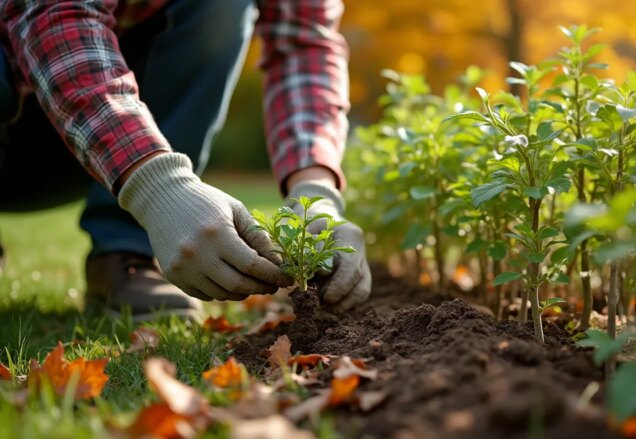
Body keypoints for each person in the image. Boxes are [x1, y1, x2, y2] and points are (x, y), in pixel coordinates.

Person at [0, 0, 371, 321]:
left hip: (80, 140)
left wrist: (316, 191)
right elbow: (57, 16)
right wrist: (159, 189)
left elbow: (303, 45)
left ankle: (127, 252)